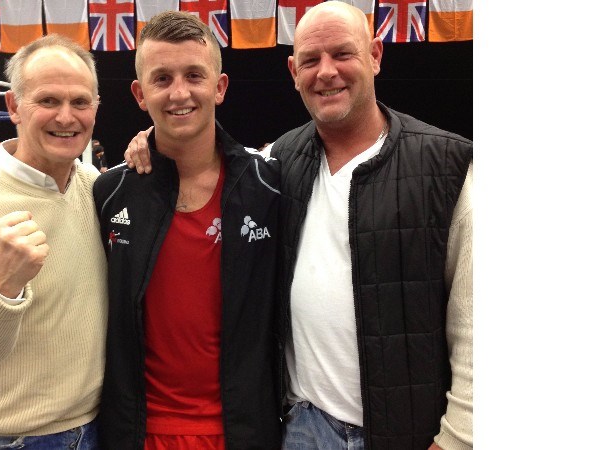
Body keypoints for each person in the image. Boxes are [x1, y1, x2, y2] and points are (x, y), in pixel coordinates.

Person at [124, 3, 472, 449]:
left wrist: (459, 438)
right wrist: (150, 142)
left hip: (408, 435)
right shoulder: (277, 164)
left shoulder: (447, 166)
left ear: (375, 55)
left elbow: (477, 320)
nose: (326, 72)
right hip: (301, 428)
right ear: (293, 71)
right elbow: (201, 152)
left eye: (342, 54)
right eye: (310, 60)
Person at [92, 10, 282, 450]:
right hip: (136, 432)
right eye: (162, 79)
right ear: (140, 94)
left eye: (194, 75)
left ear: (220, 86)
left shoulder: (269, 186)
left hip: (244, 432)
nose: (179, 92)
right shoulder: (109, 192)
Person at [0, 34, 107, 450]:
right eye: (48, 100)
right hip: (18, 438)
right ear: (13, 106)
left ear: (96, 108)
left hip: (98, 422)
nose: (66, 116)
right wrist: (1, 285)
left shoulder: (93, 185)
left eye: (80, 102)